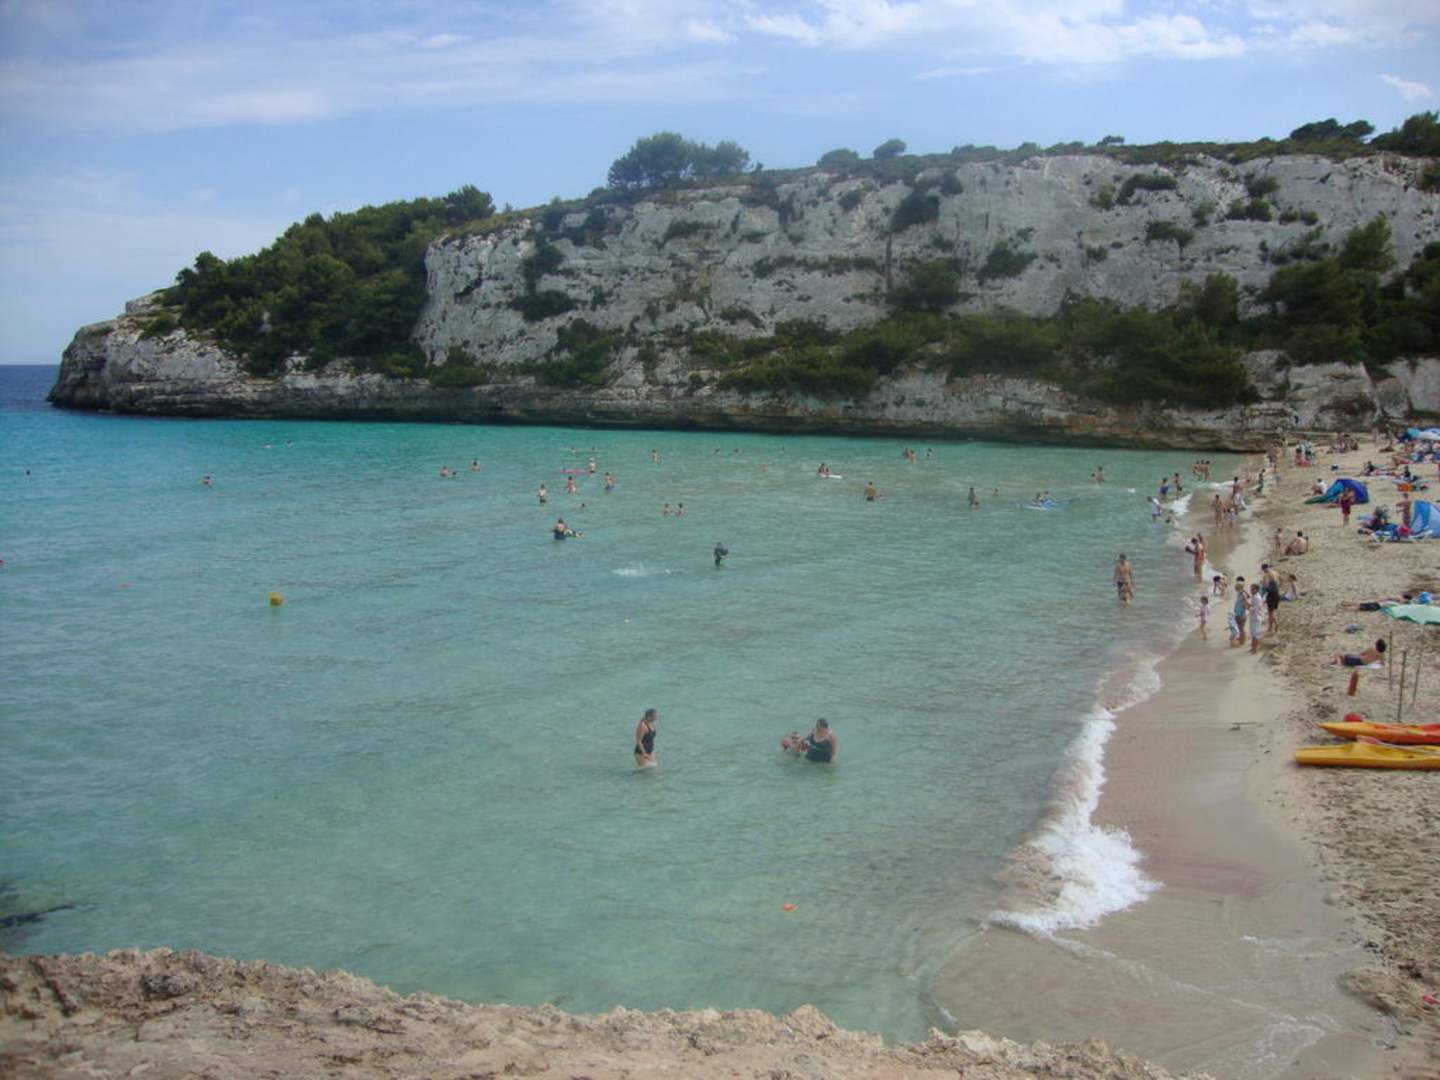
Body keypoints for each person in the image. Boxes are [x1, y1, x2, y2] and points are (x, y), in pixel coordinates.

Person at [1248, 583, 1264, 654]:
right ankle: (1252, 647)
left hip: (1256, 618)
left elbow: (1256, 609)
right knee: (1252, 633)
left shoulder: (1257, 598)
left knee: (1255, 634)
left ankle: (1255, 649)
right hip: (1253, 617)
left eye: (1253, 589)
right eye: (1251, 589)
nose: (1251, 590)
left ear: (1257, 590)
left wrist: (1248, 607)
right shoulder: (1254, 596)